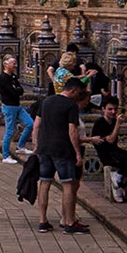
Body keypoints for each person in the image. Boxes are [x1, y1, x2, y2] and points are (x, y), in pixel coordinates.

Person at [32, 77, 91, 233]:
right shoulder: (70, 105)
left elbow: (36, 126)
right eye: (79, 92)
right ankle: (69, 222)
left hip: (45, 148)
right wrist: (77, 153)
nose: (79, 96)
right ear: (73, 90)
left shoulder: (46, 101)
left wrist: (36, 145)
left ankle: (43, 221)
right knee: (68, 184)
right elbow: (72, 131)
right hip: (62, 149)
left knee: (45, 183)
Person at [86, 96, 127, 185]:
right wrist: (118, 124)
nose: (113, 112)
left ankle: (123, 180)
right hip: (107, 155)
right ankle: (119, 175)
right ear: (103, 109)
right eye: (110, 109)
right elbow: (111, 140)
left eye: (115, 109)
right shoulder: (100, 123)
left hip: (116, 151)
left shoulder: (113, 121)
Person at [0, 56, 32, 163]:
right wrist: (16, 90)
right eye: (13, 63)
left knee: (30, 123)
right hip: (9, 107)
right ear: (6, 64)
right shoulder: (2, 78)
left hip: (17, 106)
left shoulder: (13, 76)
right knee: (10, 131)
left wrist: (16, 90)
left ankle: (20, 146)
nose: (15, 65)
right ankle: (5, 156)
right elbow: (11, 92)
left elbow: (20, 90)